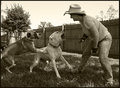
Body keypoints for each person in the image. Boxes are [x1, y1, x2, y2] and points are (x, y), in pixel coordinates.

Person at [64, 4, 113, 86]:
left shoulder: (87, 20)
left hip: (104, 38)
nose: (71, 17)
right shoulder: (81, 21)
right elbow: (88, 31)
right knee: (86, 53)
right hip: (95, 38)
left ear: (77, 14)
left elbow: (96, 34)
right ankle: (79, 70)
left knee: (103, 58)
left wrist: (94, 47)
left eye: (71, 15)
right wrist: (84, 37)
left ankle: (109, 80)